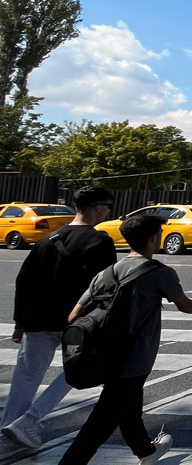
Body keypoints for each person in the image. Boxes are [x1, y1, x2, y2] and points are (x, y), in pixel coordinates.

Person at [57, 214, 192, 465]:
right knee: (100, 424)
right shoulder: (160, 272)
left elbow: (74, 315)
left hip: (103, 356)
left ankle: (146, 452)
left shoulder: (106, 273)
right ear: (153, 238)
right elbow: (184, 305)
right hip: (134, 359)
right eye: (159, 234)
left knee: (128, 410)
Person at [2, 186, 117, 452]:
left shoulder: (47, 240)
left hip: (37, 319)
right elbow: (105, 286)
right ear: (98, 207)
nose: (107, 212)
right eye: (106, 208)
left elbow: (24, 282)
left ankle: (9, 429)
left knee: (26, 376)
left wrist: (20, 321)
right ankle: (29, 421)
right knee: (76, 373)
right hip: (78, 323)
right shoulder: (100, 242)